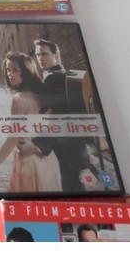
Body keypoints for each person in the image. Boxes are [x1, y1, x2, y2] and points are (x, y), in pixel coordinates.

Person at [0, 52, 62, 192]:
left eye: (15, 70)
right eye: (8, 70)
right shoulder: (42, 95)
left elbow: (12, 138)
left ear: (26, 72)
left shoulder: (19, 99)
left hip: (29, 164)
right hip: (49, 162)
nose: (10, 74)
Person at [33, 39, 100, 192]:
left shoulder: (51, 78)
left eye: (45, 54)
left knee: (69, 183)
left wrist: (39, 140)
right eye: (38, 55)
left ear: (56, 55)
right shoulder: (67, 74)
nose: (40, 58)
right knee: (78, 179)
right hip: (76, 137)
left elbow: (53, 114)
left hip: (64, 140)